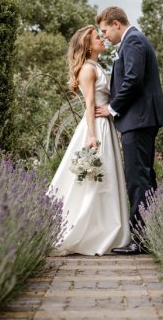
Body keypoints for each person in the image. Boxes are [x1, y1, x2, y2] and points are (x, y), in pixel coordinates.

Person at [48, 25, 130, 256]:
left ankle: (104, 230)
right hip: (97, 128)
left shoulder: (97, 66)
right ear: (87, 45)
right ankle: (85, 231)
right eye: (97, 37)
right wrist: (92, 136)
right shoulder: (87, 69)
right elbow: (89, 105)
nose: (102, 38)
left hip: (106, 125)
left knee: (106, 179)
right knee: (92, 180)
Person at [95, 7, 163, 255]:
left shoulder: (134, 40)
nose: (104, 35)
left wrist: (112, 108)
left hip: (139, 120)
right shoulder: (133, 41)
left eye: (105, 30)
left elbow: (133, 79)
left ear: (116, 24)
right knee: (145, 177)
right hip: (141, 119)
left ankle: (141, 239)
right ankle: (151, 233)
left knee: (137, 178)